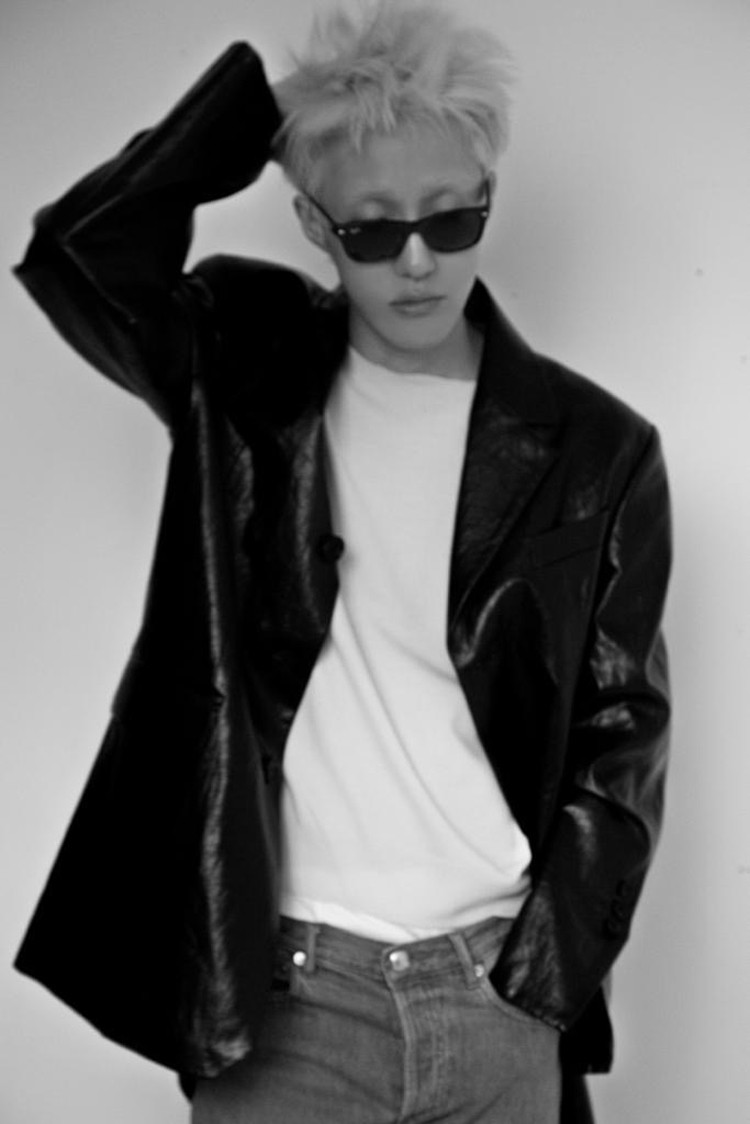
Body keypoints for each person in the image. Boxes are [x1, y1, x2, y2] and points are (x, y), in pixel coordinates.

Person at [13, 2, 671, 1121]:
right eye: (370, 230)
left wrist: (544, 980)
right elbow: (78, 255)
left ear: (487, 198)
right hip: (290, 1003)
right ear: (314, 225)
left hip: (497, 990)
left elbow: (624, 730)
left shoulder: (597, 447)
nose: (416, 261)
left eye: (450, 220)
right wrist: (260, 113)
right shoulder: (244, 366)